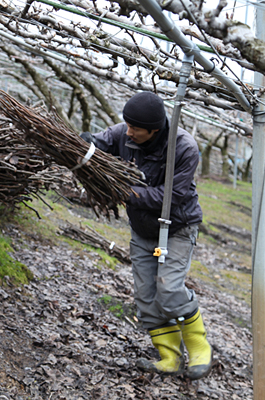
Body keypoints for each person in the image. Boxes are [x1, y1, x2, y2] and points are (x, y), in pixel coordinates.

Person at [81, 91, 212, 380]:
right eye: (127, 125)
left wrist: (124, 191)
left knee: (169, 289)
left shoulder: (183, 147)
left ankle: (199, 346)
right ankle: (170, 357)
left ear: (155, 129)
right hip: (142, 229)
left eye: (136, 129)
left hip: (176, 226)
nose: (128, 132)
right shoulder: (124, 132)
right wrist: (81, 144)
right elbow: (98, 145)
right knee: (145, 294)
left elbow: (172, 196)